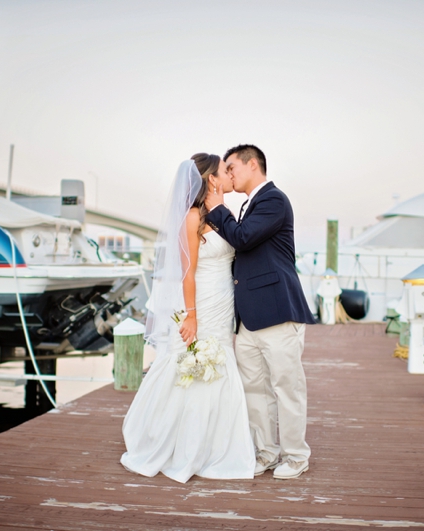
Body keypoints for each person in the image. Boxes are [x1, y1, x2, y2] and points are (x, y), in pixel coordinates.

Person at [120, 154, 255, 483]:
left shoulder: (224, 216)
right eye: (224, 170)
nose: (228, 174)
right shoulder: (192, 218)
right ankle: (180, 445)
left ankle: (214, 446)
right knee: (193, 363)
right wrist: (191, 316)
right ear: (211, 179)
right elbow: (187, 273)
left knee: (221, 365)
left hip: (225, 300)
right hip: (201, 300)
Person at [204, 144, 316, 480]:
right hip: (249, 317)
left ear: (253, 165)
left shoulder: (273, 200)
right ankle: (266, 453)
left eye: (233, 167)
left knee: (287, 386)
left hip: (278, 311)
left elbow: (244, 238)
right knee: (255, 388)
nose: (230, 175)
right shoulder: (249, 205)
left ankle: (296, 456)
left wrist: (216, 207)